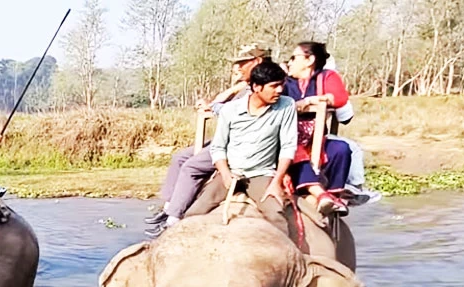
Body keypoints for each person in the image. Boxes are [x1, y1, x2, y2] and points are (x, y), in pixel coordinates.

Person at [144, 44, 268, 237]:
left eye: (242, 63)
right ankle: (168, 208)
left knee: (192, 167)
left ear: (257, 61)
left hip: (240, 143)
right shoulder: (248, 86)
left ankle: (173, 220)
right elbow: (220, 103)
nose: (238, 68)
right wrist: (236, 87)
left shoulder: (264, 86)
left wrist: (215, 105)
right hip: (228, 138)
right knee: (179, 157)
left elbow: (226, 108)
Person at [204, 60, 298, 235]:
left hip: (260, 174)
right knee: (193, 213)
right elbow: (218, 147)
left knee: (276, 215)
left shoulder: (286, 105)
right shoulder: (230, 110)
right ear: (256, 87)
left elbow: (288, 146)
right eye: (274, 86)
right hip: (231, 172)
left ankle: (289, 260)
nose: (279, 90)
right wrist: (225, 174)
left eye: (281, 85)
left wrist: (276, 182)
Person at [284, 41, 352, 215]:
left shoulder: (326, 77)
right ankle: (316, 192)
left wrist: (313, 100)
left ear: (309, 60)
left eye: (293, 57)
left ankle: (334, 197)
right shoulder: (284, 82)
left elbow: (339, 98)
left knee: (341, 149)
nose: (289, 62)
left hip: (316, 140)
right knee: (293, 151)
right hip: (288, 138)